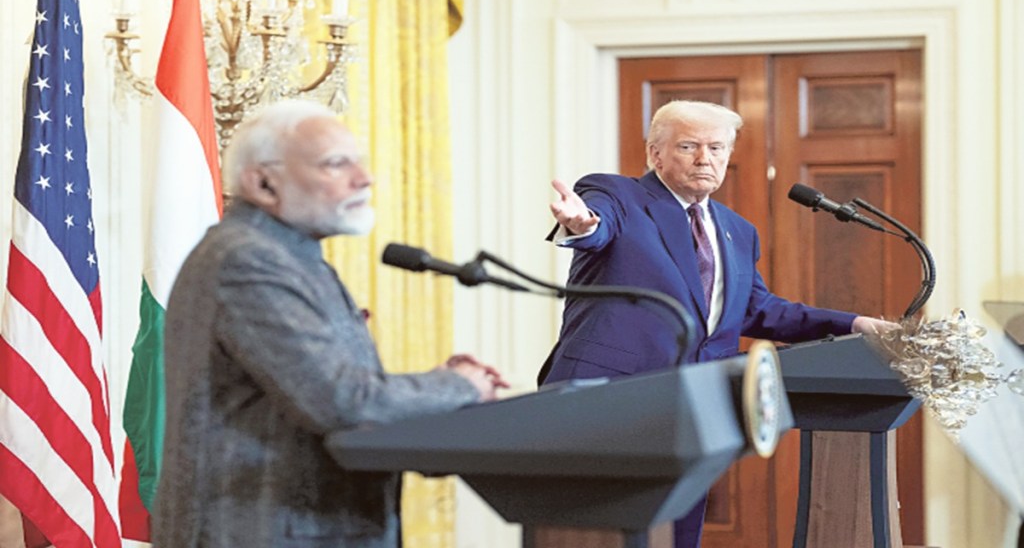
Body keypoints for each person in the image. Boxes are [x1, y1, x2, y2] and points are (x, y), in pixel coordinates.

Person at [538, 100, 895, 548]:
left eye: (717, 148)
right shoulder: (617, 195)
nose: (704, 159)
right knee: (596, 534)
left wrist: (856, 324)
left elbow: (757, 310)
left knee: (678, 534)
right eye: (689, 146)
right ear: (655, 154)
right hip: (608, 399)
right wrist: (582, 225)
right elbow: (597, 226)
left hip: (697, 405)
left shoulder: (737, 230)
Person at [153, 99, 508, 548]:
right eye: (336, 164)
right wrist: (459, 386)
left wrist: (436, 393)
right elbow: (340, 401)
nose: (364, 178)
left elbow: (334, 393)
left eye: (359, 162)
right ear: (263, 182)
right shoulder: (247, 259)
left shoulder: (292, 256)